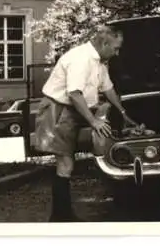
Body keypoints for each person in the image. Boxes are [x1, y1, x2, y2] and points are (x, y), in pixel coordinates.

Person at [34, 25, 142, 222]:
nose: (117, 53)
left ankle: (61, 215)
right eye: (115, 48)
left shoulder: (100, 61)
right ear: (104, 42)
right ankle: (60, 217)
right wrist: (93, 121)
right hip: (58, 110)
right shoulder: (81, 59)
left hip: (73, 109)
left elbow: (108, 89)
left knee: (68, 162)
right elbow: (74, 94)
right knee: (65, 162)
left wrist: (123, 112)